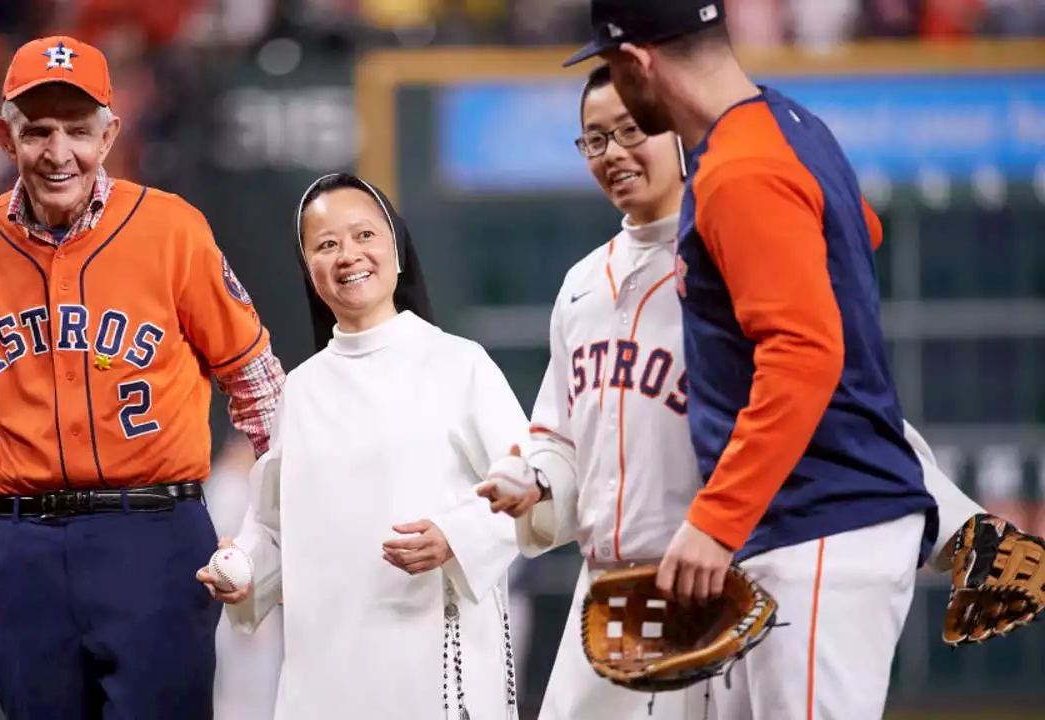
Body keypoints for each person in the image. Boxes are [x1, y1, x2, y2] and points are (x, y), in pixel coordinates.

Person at [478, 64, 990, 719]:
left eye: (632, 130)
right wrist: (536, 485)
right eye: (594, 139)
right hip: (605, 601)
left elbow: (825, 408)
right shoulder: (580, 285)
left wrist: (958, 523)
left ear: (678, 133)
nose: (613, 153)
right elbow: (559, 438)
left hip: (710, 590)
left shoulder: (735, 259)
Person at [0, 35, 285, 719]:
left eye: (77, 130)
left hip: (157, 537)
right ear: (3, 137)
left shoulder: (173, 229)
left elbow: (259, 388)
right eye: (37, 130)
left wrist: (287, 527)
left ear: (108, 135)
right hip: (24, 549)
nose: (57, 152)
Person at [202, 172, 522, 719]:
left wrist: (455, 537)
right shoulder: (300, 391)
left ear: (397, 252)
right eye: (327, 245)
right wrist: (245, 571)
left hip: (434, 661)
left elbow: (528, 489)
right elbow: (277, 528)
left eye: (364, 236)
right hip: (325, 668)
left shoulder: (460, 364)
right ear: (311, 273)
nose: (349, 255)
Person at [202, 433, 284, 720]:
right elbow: (224, 548)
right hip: (235, 595)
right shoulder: (228, 486)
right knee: (245, 691)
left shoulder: (228, 483)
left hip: (243, 596)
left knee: (253, 689)